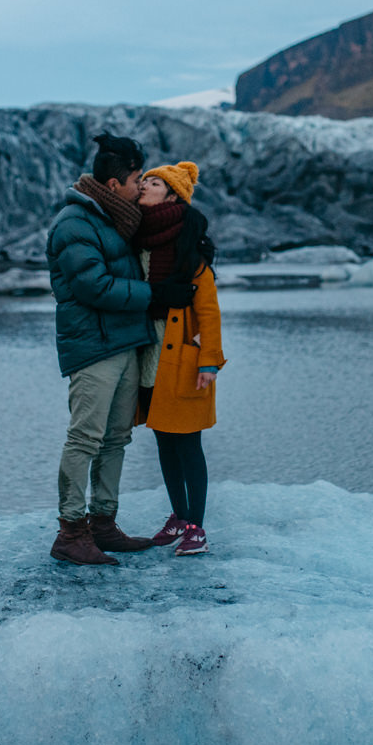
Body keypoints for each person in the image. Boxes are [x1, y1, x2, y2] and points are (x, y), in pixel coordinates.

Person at [46, 133, 196, 565]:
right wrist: (155, 295)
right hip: (94, 347)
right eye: (136, 179)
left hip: (125, 341)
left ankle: (104, 525)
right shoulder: (75, 223)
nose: (140, 185)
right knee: (85, 438)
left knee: (116, 438)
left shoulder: (114, 219)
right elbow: (92, 286)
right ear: (114, 185)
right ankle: (71, 532)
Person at [132, 161, 224, 556]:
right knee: (164, 442)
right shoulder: (138, 241)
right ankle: (178, 516)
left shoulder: (190, 250)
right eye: (145, 180)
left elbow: (209, 312)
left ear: (172, 195)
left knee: (188, 445)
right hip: (149, 357)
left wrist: (209, 362)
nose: (144, 186)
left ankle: (196, 529)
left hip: (184, 364)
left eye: (153, 183)